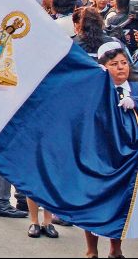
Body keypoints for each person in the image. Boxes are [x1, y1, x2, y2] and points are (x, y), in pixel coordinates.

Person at [82, 42, 137, 257]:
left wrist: (133, 101)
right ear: (104, 67)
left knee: (121, 203)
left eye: (124, 63)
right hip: (99, 155)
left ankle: (116, 249)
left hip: (128, 158)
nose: (121, 67)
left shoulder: (135, 87)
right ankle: (91, 250)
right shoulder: (96, 90)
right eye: (114, 64)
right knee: (93, 202)